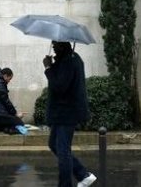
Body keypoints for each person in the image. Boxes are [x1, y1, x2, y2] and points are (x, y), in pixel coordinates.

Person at [43, 41, 96, 187]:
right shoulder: (69, 59)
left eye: (55, 45)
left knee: (63, 150)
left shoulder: (69, 61)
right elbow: (62, 80)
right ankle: (83, 175)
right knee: (54, 144)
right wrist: (53, 65)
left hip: (66, 112)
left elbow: (60, 86)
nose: (53, 48)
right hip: (63, 112)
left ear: (62, 46)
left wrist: (48, 67)